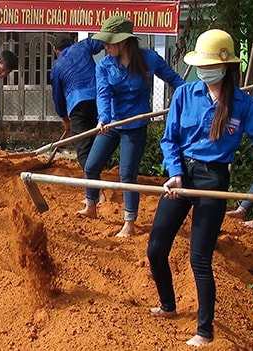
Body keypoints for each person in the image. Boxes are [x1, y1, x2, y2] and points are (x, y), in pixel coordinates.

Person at [146, 29, 253, 347]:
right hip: (182, 177)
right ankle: (167, 305)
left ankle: (205, 331)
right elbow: (169, 138)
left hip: (213, 180)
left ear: (225, 64)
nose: (203, 70)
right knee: (155, 249)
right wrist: (174, 173)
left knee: (200, 258)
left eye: (208, 64)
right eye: (199, 64)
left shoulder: (242, 105)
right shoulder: (185, 94)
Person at [76, 15, 184, 238]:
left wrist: (188, 99)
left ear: (123, 41)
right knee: (91, 166)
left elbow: (176, 81)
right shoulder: (104, 66)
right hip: (113, 123)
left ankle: (129, 223)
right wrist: (103, 119)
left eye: (108, 42)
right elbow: (103, 95)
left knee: (127, 176)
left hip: (135, 126)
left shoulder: (149, 60)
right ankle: (91, 205)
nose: (104, 47)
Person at [50, 35, 103, 170]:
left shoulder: (57, 67)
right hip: (100, 99)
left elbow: (58, 97)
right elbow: (103, 40)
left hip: (78, 104)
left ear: (56, 50)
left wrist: (65, 120)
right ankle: (96, 175)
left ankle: (95, 185)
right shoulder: (83, 46)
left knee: (83, 146)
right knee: (98, 138)